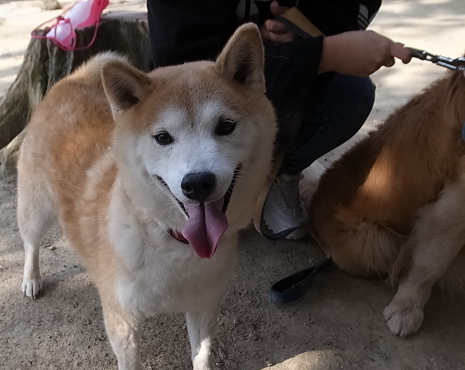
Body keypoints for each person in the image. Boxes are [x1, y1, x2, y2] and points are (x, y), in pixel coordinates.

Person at [147, 0, 412, 239]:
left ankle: (279, 173)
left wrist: (307, 26)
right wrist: (324, 54)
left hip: (263, 81)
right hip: (202, 83)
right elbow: (182, 71)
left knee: (350, 92)